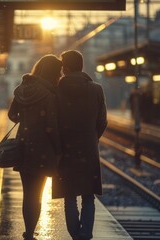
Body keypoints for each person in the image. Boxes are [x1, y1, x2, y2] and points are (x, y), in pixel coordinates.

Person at [52, 50, 107, 240]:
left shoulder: (56, 91)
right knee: (88, 195)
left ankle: (75, 234)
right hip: (88, 149)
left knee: (69, 196)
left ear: (64, 67)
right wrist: (92, 137)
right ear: (82, 66)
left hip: (65, 150)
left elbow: (53, 121)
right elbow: (103, 121)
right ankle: (86, 234)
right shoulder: (96, 89)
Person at [8, 54, 62, 240]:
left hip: (24, 145)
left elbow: (11, 115)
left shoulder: (22, 88)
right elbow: (52, 125)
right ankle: (31, 232)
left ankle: (28, 231)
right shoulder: (50, 93)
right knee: (37, 193)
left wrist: (26, 121)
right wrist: (58, 149)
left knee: (27, 192)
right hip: (43, 149)